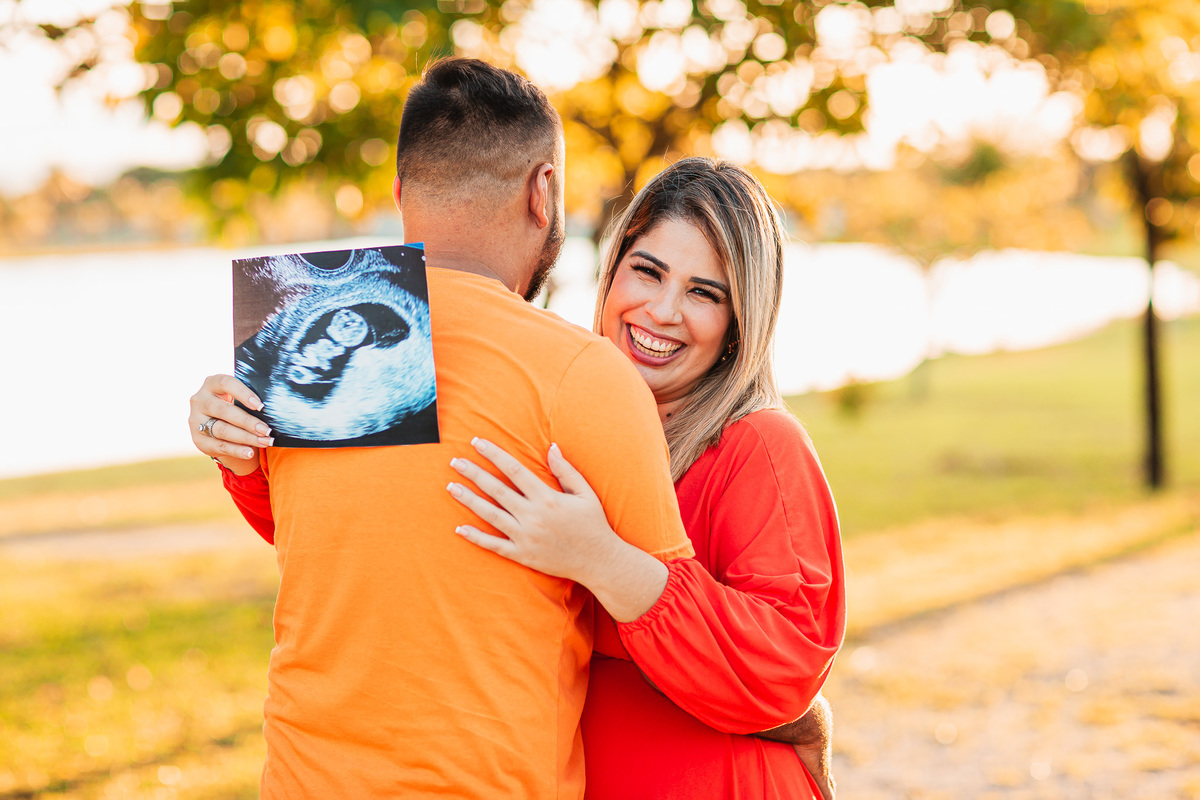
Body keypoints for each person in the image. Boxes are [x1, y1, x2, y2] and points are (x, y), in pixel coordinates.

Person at [188, 58, 694, 799]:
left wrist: (235, 455)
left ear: (399, 193)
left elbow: (339, 545)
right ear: (543, 191)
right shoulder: (585, 374)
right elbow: (671, 630)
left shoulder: (298, 344)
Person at [445, 157, 846, 799]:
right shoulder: (558, 411)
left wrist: (606, 562)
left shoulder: (759, 445)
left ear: (741, 320)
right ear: (613, 268)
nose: (662, 311)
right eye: (648, 271)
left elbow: (784, 668)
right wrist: (251, 454)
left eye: (704, 292)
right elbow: (413, 518)